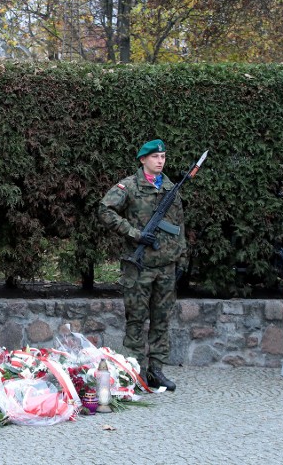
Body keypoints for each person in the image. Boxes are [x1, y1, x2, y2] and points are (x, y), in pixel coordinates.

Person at [98, 139, 186, 392]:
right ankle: (135, 371)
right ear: (143, 160)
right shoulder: (130, 185)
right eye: (156, 156)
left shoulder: (171, 187)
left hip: (166, 266)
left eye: (163, 156)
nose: (161, 161)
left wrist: (182, 257)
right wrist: (134, 233)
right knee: (136, 320)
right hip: (139, 266)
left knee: (161, 320)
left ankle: (156, 370)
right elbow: (105, 209)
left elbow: (179, 226)